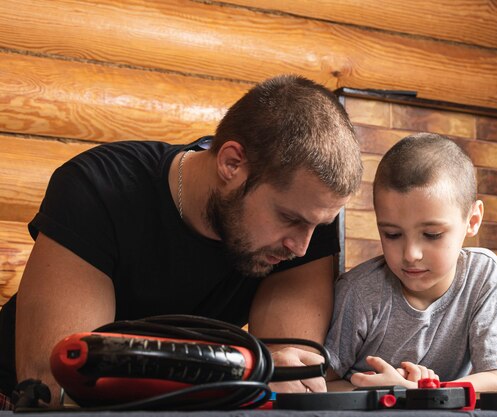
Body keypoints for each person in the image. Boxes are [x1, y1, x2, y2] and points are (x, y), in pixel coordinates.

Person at [0, 74, 363, 402]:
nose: (300, 246)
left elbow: (290, 381)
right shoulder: (99, 187)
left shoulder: (307, 212)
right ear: (232, 163)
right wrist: (248, 370)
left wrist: (262, 372)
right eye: (288, 219)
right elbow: (65, 383)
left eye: (317, 225)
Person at [324, 133, 497, 392]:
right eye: (392, 234)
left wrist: (426, 392)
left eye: (432, 235)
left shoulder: (483, 275)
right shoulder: (359, 291)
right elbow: (318, 386)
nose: (411, 254)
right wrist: (394, 394)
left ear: (473, 220)